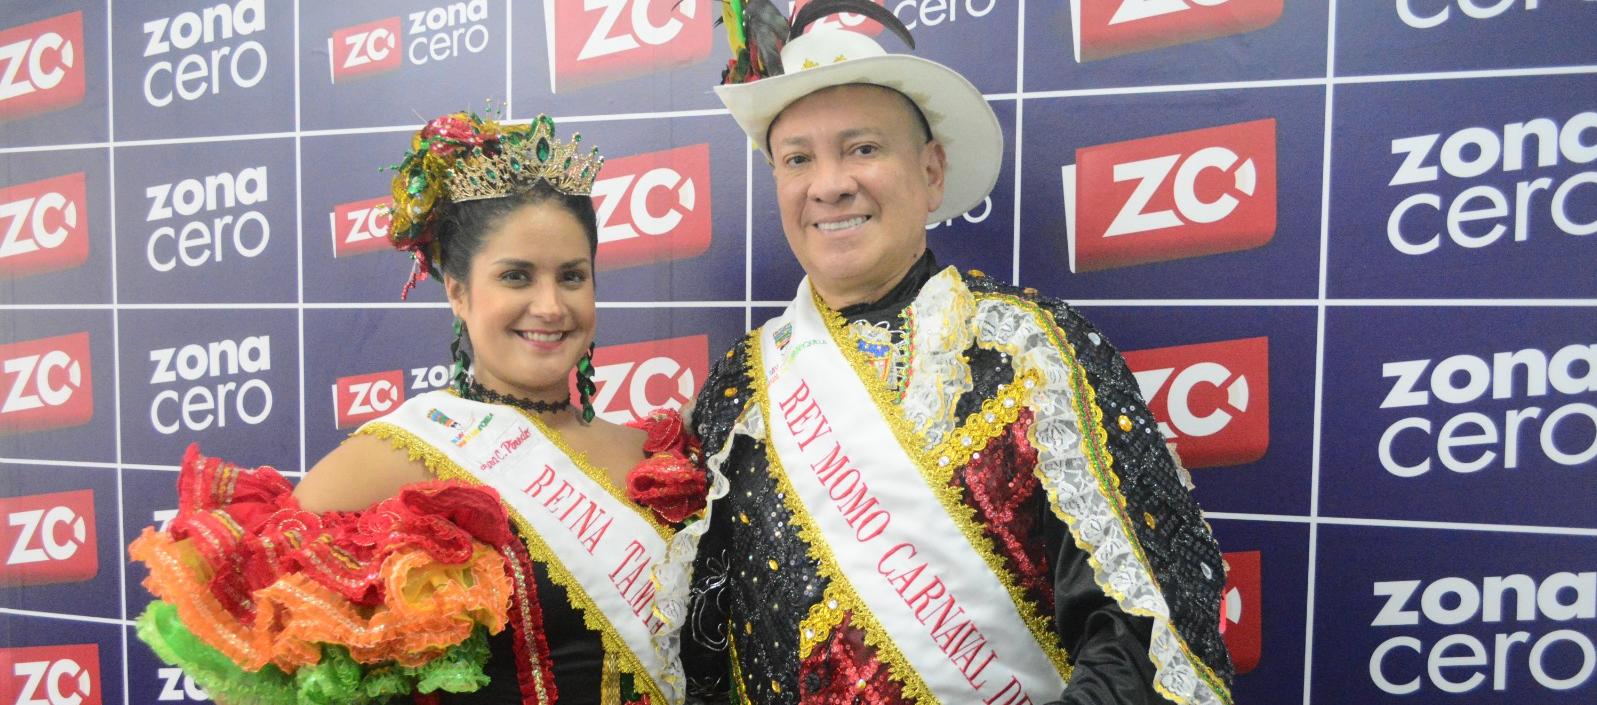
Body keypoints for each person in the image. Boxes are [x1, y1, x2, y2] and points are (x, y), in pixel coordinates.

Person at [683, 6, 1235, 705]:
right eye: (798, 158)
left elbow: (1145, 633)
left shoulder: (1038, 351)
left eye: (861, 149)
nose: (828, 184)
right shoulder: (737, 389)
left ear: (931, 170)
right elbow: (702, 648)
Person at [129, 112, 723, 705]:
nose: (549, 305)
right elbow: (279, 640)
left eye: (572, 276)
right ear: (459, 292)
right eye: (516, 277)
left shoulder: (648, 456)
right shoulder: (402, 455)